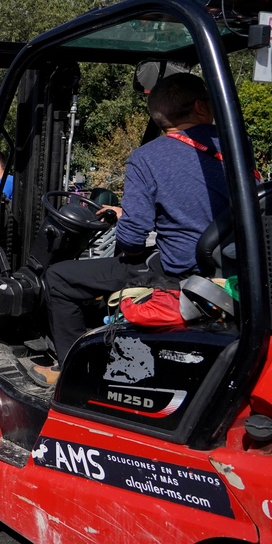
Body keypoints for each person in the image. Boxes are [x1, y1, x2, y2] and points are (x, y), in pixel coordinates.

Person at [34, 73, 230, 386]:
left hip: (178, 271)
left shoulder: (148, 157)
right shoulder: (236, 147)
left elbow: (131, 239)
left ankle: (75, 372)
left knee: (58, 278)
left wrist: (128, 224)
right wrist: (131, 213)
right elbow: (198, 205)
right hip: (226, 266)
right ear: (201, 107)